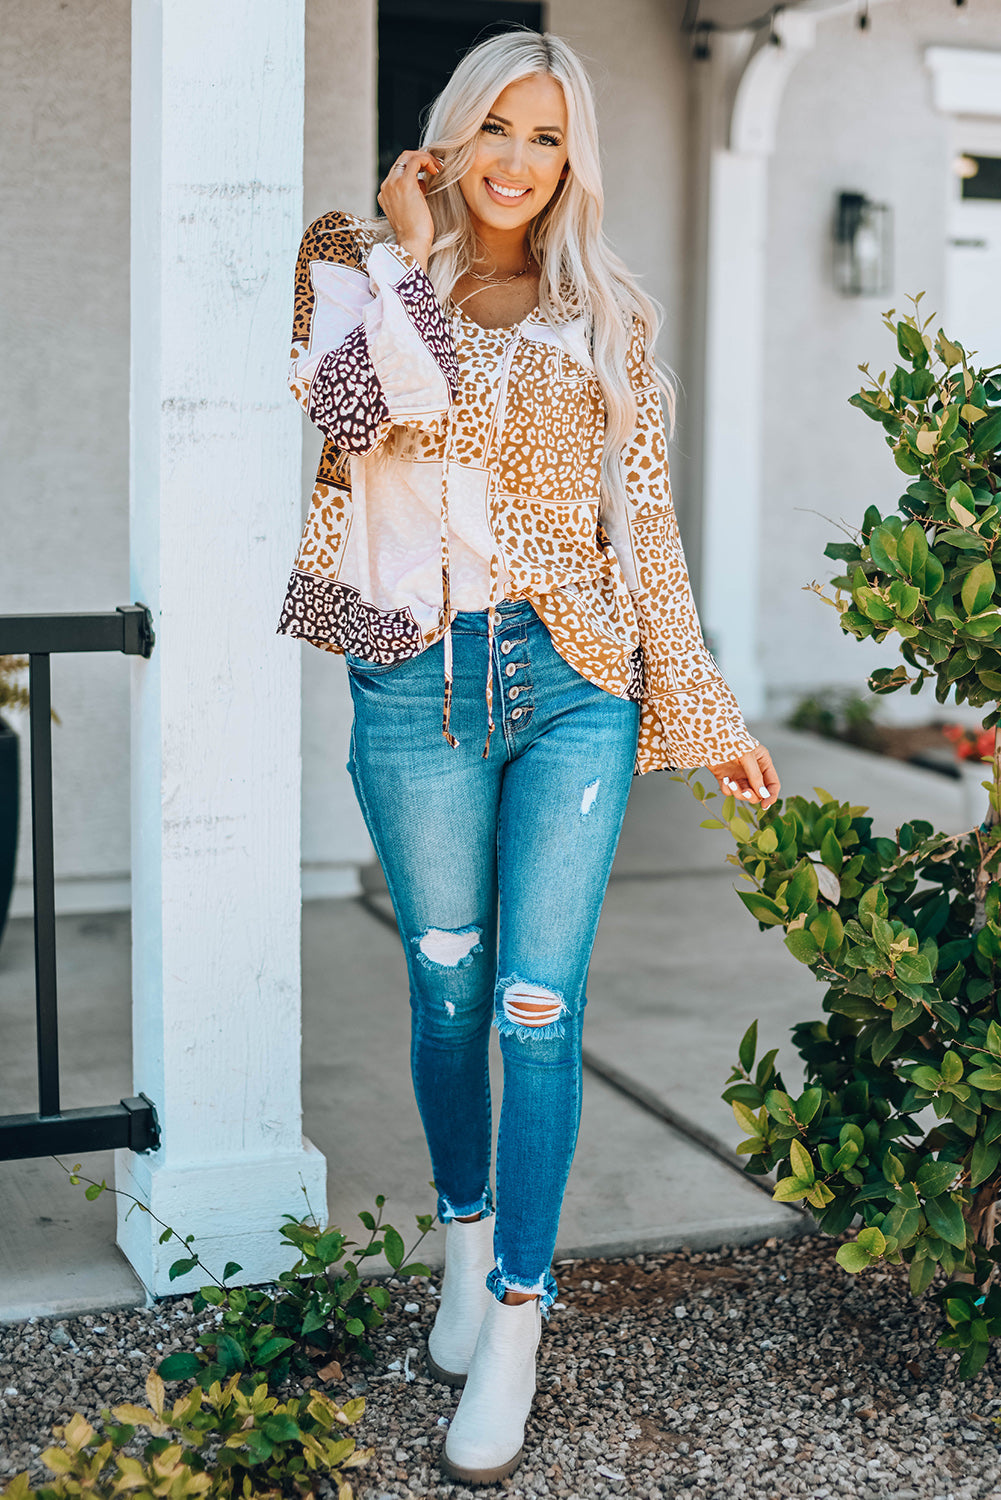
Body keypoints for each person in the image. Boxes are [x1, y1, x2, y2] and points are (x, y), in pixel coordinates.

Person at [278, 28, 780, 1485]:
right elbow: (360, 416)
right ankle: (465, 1237)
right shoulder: (349, 263)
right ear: (451, 134)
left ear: (575, 159)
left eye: (547, 137)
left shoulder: (607, 315)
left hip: (573, 683)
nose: (518, 160)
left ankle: (516, 1314)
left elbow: (647, 537)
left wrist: (707, 709)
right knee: (446, 990)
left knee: (537, 1008)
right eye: (497, 127)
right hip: (415, 682)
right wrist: (410, 252)